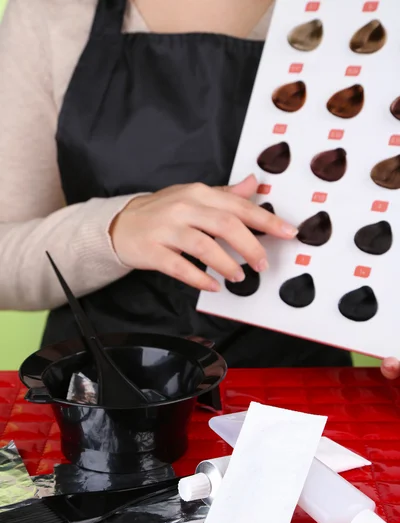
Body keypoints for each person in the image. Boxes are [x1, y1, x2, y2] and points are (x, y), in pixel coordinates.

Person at [0, 0, 398, 377]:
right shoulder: (52, 13)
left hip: (305, 399)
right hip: (101, 397)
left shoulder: (375, 19)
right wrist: (116, 229)